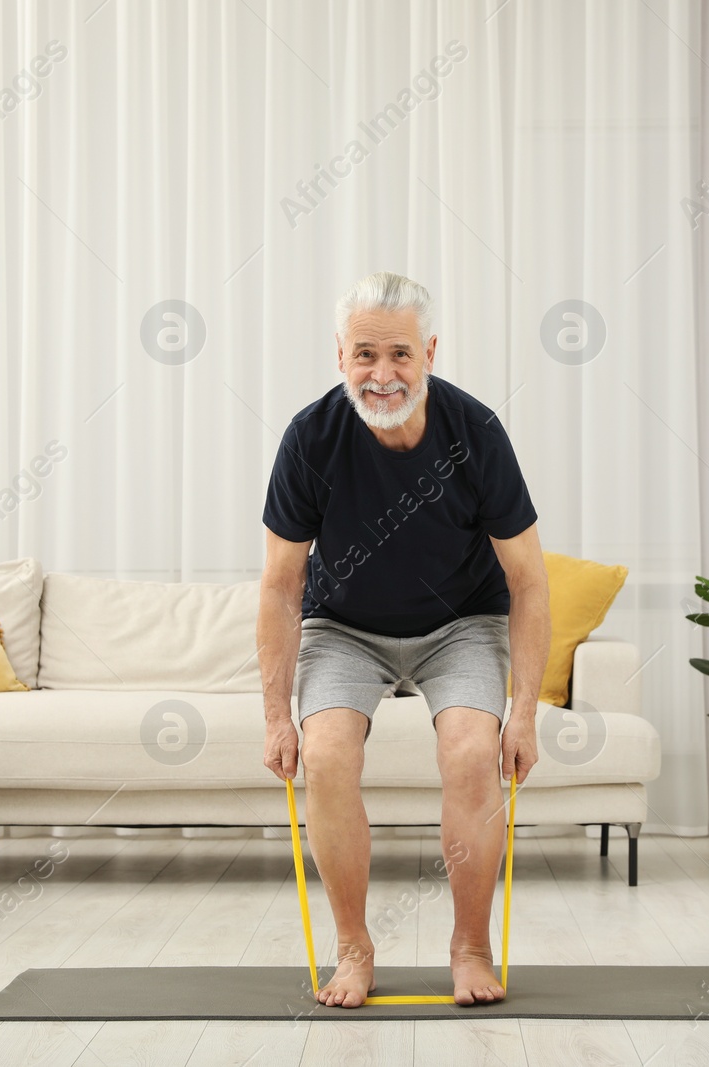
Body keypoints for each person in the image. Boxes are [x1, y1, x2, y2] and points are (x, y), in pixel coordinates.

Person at [258, 270, 551, 1008]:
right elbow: (280, 585)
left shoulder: (476, 432)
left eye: (399, 354)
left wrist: (524, 712)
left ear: (430, 352)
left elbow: (529, 580)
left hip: (460, 624)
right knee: (324, 756)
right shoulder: (310, 438)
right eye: (364, 354)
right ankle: (354, 946)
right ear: (339, 356)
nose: (382, 375)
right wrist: (273, 715)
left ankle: (470, 945)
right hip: (345, 628)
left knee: (469, 753)